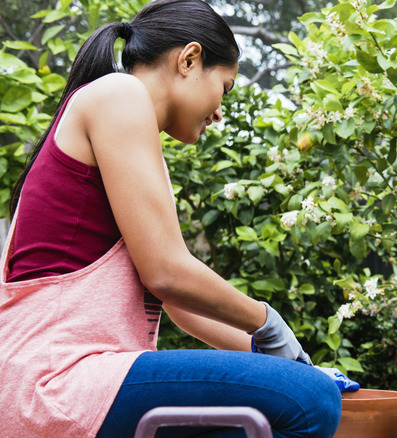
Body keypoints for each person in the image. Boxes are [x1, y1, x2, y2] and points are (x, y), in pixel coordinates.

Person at [0, 1, 354, 436]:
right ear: (189, 59)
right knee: (308, 401)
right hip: (58, 379)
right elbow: (167, 272)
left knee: (276, 407)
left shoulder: (134, 133)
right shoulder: (119, 95)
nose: (221, 111)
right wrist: (268, 321)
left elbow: (176, 301)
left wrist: (279, 356)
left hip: (79, 378)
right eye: (225, 87)